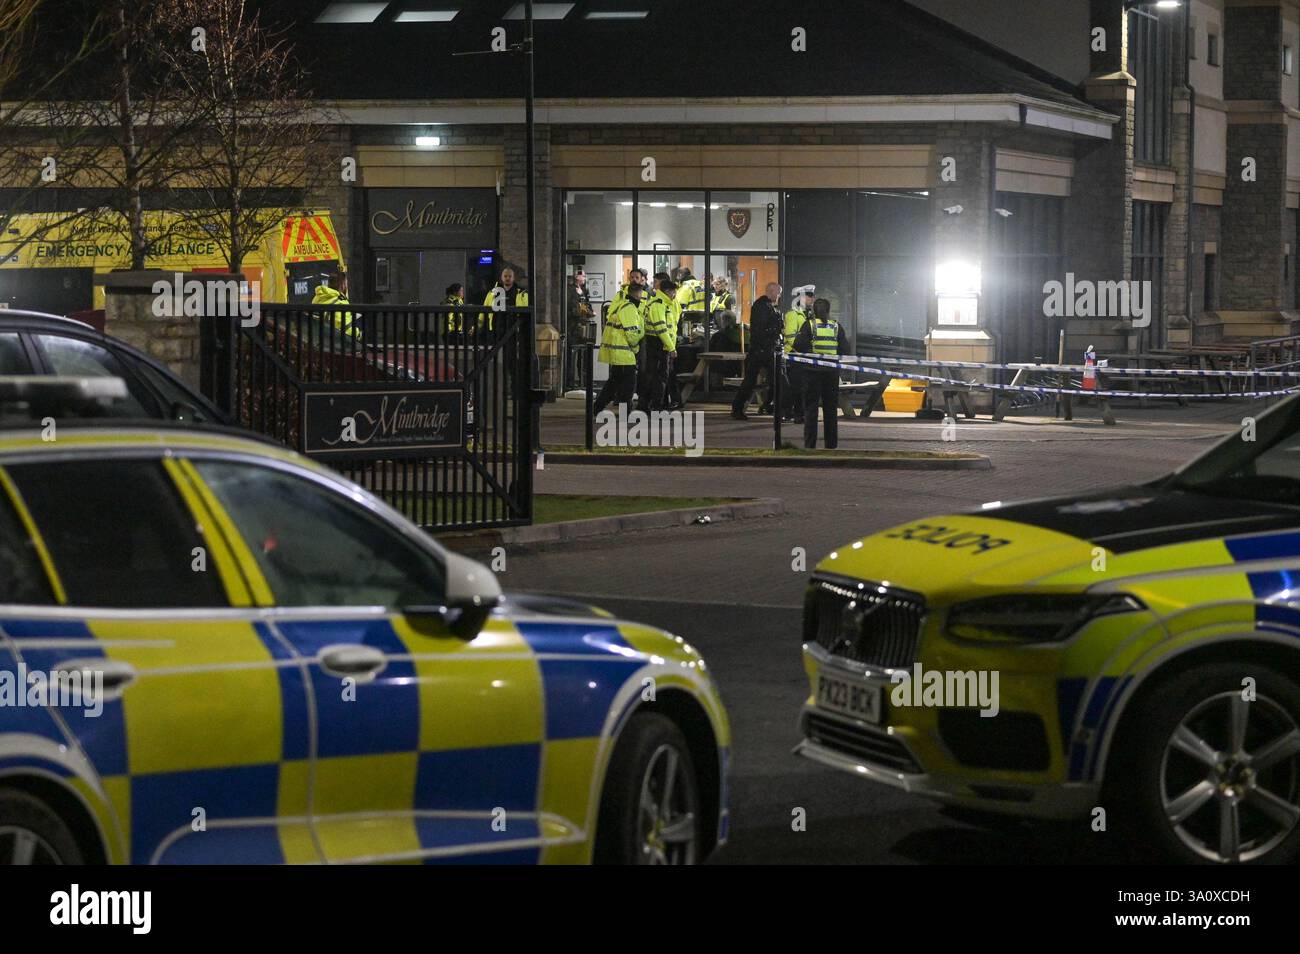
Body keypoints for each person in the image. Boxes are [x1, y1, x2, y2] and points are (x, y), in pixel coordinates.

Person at [793, 297, 851, 449]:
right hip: (831, 373)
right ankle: (831, 445)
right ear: (829, 310)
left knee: (811, 409)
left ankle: (810, 445)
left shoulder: (809, 325)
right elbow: (845, 349)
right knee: (830, 410)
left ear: (814, 311)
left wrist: (811, 351)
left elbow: (797, 345)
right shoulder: (836, 326)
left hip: (811, 373)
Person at [731, 281, 783, 419]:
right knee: (751, 381)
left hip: (766, 349)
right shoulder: (762, 307)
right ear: (771, 291)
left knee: (774, 379)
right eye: (778, 293)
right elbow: (762, 329)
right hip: (761, 349)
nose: (779, 297)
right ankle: (738, 408)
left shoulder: (768, 306)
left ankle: (767, 405)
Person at [593, 283, 646, 416]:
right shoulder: (629, 308)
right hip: (625, 353)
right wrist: (635, 348)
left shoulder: (620, 305)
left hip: (618, 352)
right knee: (627, 387)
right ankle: (624, 414)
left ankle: (596, 408)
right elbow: (632, 333)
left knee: (613, 384)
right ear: (639, 294)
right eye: (642, 294)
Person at [639, 279, 678, 411]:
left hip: (657, 344)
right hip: (658, 344)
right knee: (659, 378)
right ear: (667, 292)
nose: (675, 295)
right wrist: (671, 347)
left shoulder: (663, 304)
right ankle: (656, 408)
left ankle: (649, 407)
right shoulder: (659, 305)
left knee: (654, 377)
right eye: (673, 292)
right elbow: (661, 329)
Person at [783, 285, 815, 423]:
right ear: (801, 297)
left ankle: (798, 413)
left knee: (803, 387)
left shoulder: (809, 314)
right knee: (796, 387)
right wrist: (798, 351)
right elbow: (790, 337)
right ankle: (794, 414)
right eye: (809, 295)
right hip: (795, 356)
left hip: (805, 356)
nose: (812, 298)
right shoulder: (793, 314)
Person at [480, 266, 529, 337]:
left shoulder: (522, 293)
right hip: (496, 329)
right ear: (501, 277)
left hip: (514, 330)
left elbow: (526, 312)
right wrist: (476, 327)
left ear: (513, 278)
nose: (507, 278)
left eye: (510, 276)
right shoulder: (492, 293)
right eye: (505, 276)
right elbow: (483, 312)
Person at [567, 268, 594, 388]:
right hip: (573, 326)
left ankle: (585, 382)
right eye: (583, 275)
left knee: (584, 356)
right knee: (572, 355)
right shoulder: (569, 290)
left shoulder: (584, 290)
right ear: (577, 276)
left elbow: (586, 305)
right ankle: (570, 382)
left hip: (583, 325)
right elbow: (571, 307)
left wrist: (589, 312)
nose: (585, 277)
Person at [312, 270, 358, 338]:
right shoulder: (341, 303)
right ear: (343, 285)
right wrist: (359, 334)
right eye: (346, 284)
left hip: (319, 340)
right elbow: (348, 330)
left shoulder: (318, 298)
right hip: (333, 343)